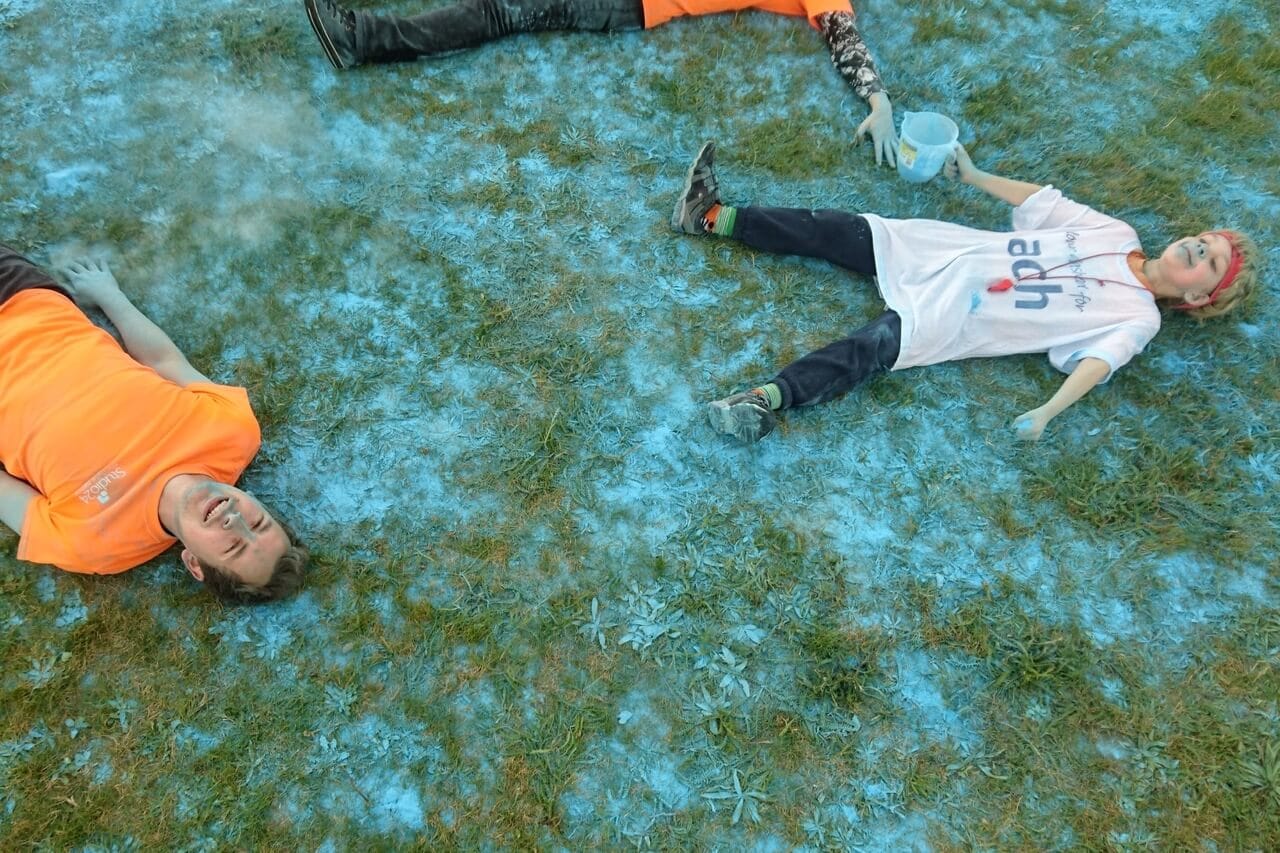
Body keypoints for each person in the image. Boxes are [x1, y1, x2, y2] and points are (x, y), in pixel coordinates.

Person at [670, 142, 1259, 443]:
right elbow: (1043, 202)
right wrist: (975, 177)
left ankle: (760, 403)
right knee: (835, 229)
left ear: (1201, 298)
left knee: (867, 349)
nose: (1198, 249)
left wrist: (1048, 413)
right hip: (944, 250)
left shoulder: (1137, 317)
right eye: (1203, 240)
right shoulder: (1117, 234)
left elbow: (1099, 363)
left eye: (1209, 263)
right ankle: (710, 215)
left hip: (965, 314)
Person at [0, 247, 309, 603]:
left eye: (234, 549)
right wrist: (109, 295)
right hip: (22, 297)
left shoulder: (95, 546)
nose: (235, 522)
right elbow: (162, 359)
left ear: (195, 565)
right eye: (258, 523)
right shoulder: (233, 432)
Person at [303, 0, 897, 164]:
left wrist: (880, 102)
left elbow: (844, 35)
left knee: (502, 10)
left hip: (630, 5)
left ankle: (363, 39)